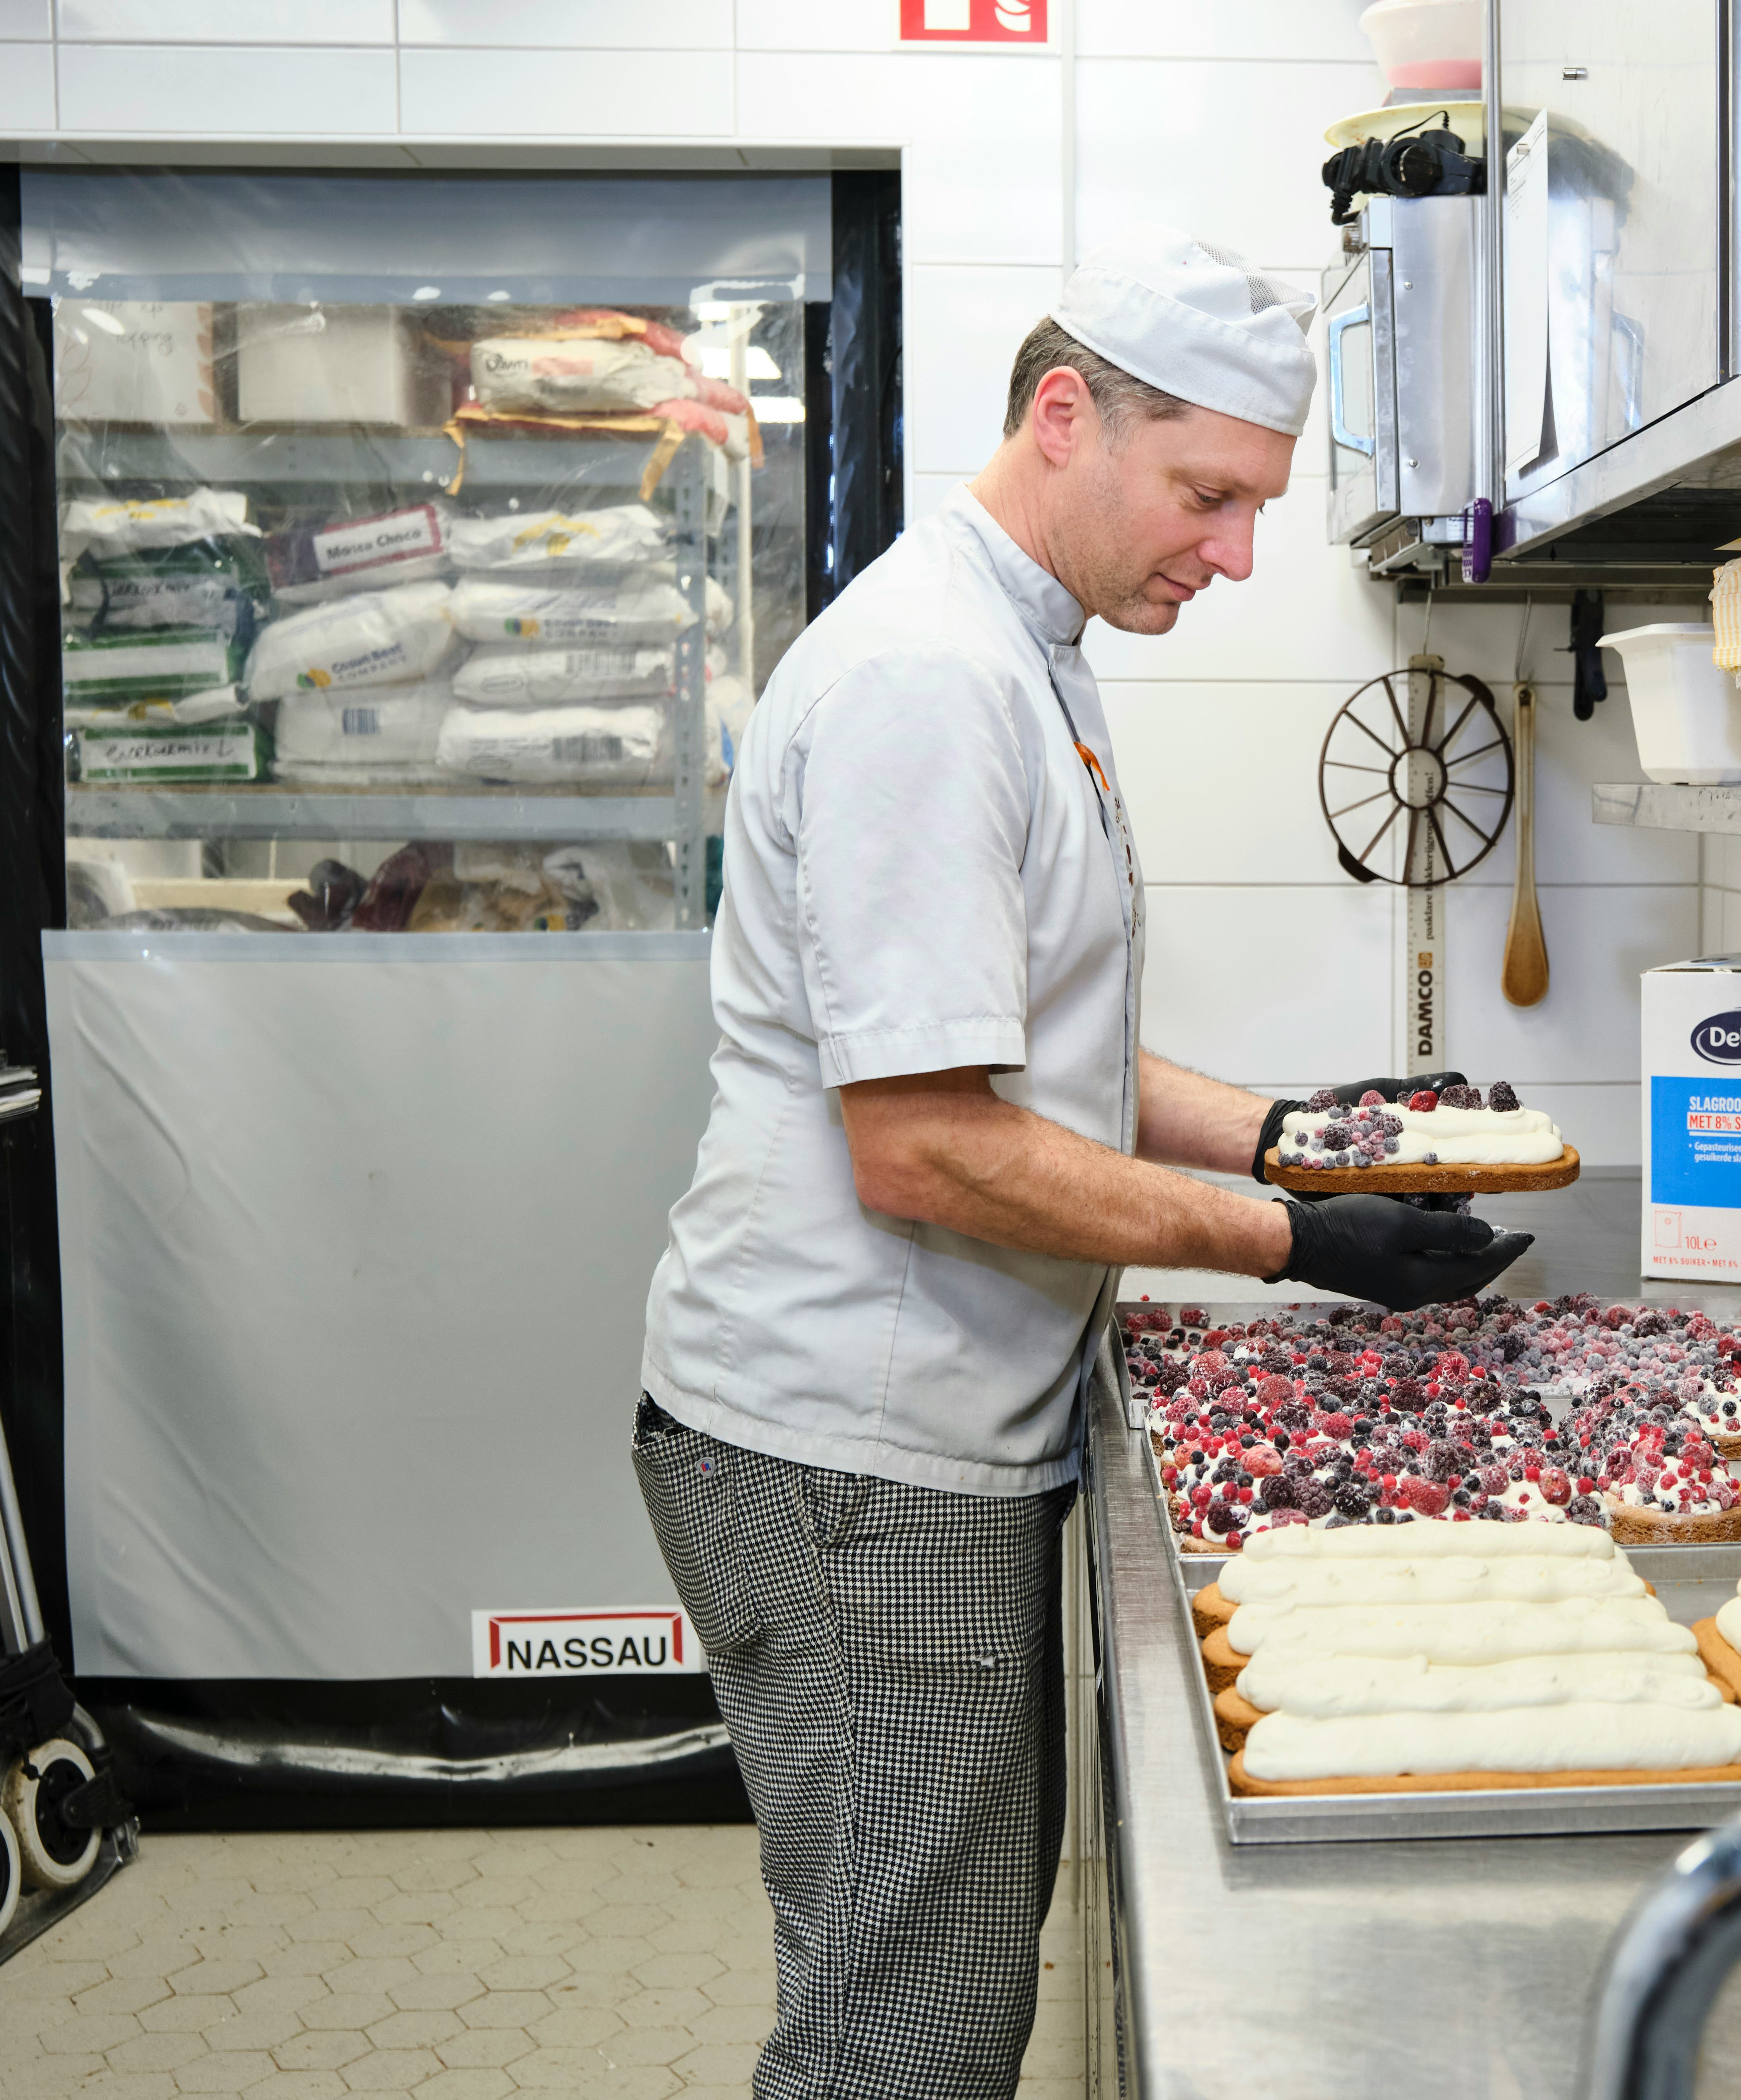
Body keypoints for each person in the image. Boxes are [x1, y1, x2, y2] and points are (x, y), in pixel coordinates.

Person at [630, 227, 1532, 2099]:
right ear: (1067, 416)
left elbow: (1048, 1057)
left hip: (908, 1439)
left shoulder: (1032, 648)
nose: (1238, 552)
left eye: (1255, 504)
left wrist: (1307, 1134)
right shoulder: (929, 681)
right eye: (1210, 496)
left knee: (924, 1974)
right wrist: (1291, 1236)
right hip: (855, 1458)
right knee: (909, 2036)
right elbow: (932, 1146)